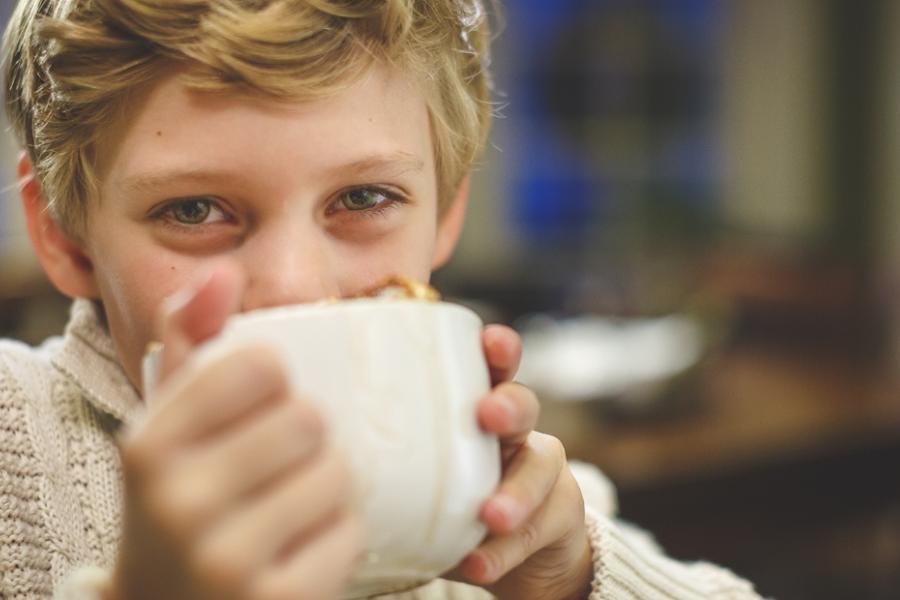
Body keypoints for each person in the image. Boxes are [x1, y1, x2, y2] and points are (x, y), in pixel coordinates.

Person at [0, 1, 761, 598]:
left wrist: (570, 580)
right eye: (194, 210)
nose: (295, 286)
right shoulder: (14, 447)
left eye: (363, 197)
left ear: (447, 210)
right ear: (65, 237)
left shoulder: (505, 493)